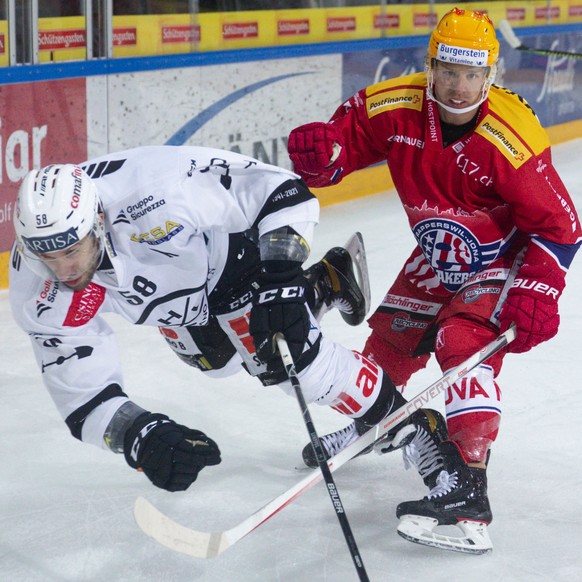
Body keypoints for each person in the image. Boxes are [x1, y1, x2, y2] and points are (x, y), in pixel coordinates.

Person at [287, 7, 581, 553]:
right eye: (448, 70)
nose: (459, 86)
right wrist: (320, 155)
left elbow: (560, 226)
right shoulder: (395, 105)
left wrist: (539, 289)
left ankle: (469, 486)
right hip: (440, 251)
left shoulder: (512, 137)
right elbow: (340, 148)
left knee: (461, 342)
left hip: (498, 255)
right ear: (431, 65)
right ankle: (374, 420)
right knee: (390, 340)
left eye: (473, 74)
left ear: (490, 73)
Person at [9, 146, 445, 498]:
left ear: (99, 222)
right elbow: (80, 393)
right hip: (176, 289)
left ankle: (413, 427)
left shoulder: (156, 188)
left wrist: (280, 278)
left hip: (228, 254)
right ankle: (325, 284)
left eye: (70, 251)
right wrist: (137, 434)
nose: (63, 270)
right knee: (217, 362)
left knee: (288, 365)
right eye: (45, 256)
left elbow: (280, 191)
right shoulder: (38, 283)